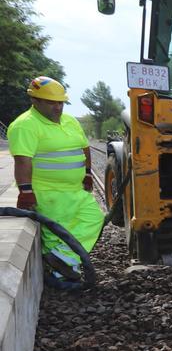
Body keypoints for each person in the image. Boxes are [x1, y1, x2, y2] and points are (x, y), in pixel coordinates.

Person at [9, 77, 105, 289]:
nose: (58, 106)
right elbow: (22, 160)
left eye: (61, 102)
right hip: (48, 192)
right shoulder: (25, 126)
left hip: (74, 190)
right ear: (35, 101)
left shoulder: (70, 121)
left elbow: (84, 147)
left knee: (94, 218)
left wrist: (88, 173)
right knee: (56, 233)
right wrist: (25, 191)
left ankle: (61, 260)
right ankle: (61, 272)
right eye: (52, 102)